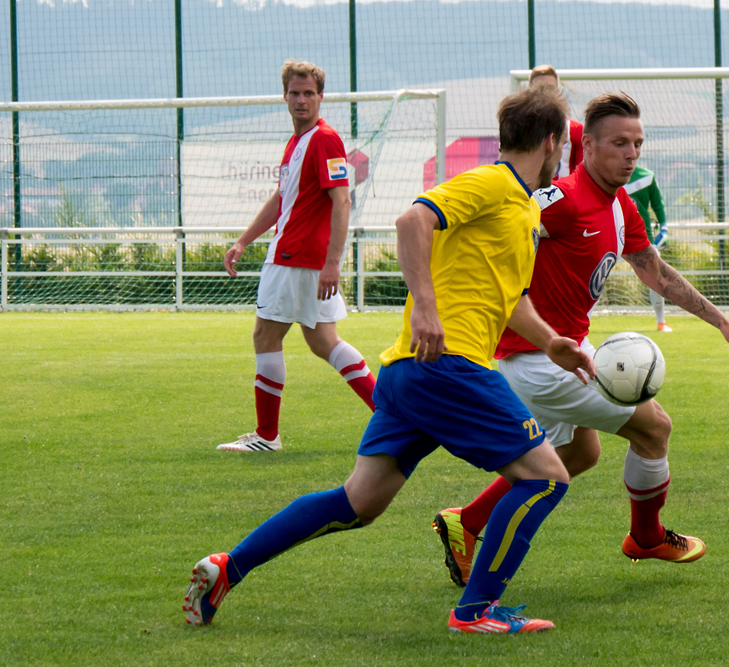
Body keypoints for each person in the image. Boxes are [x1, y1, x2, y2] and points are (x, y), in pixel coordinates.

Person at [183, 85, 595, 634]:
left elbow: (508, 297)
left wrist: (551, 343)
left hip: (411, 374)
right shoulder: (494, 182)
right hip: (448, 365)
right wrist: (425, 306)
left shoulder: (520, 206)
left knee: (358, 502)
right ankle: (474, 613)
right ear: (550, 142)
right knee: (546, 478)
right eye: (564, 143)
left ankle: (227, 568)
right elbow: (412, 221)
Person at [431, 93, 729, 588]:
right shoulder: (561, 199)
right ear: (586, 144)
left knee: (581, 455)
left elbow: (654, 271)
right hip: (537, 359)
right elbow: (495, 225)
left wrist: (723, 323)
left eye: (637, 143)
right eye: (619, 143)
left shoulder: (620, 205)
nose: (631, 153)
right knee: (653, 428)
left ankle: (468, 521)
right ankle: (646, 537)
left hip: (570, 350)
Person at [217, 60, 377, 453]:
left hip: (295, 256)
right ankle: (392, 414)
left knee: (265, 335)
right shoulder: (299, 140)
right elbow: (282, 198)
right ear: (284, 96)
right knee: (324, 341)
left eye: (309, 93)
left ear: (321, 97)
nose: (302, 100)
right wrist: (244, 240)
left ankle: (267, 437)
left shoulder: (324, 139)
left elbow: (342, 201)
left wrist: (333, 263)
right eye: (295, 93)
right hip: (298, 256)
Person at [625, 164, 672, 332]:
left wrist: (664, 228)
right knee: (594, 276)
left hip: (642, 236)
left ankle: (661, 321)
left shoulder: (647, 176)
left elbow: (657, 203)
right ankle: (582, 320)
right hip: (611, 233)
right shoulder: (605, 173)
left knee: (655, 276)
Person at [529, 65, 583, 180]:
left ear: (557, 91)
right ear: (530, 91)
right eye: (539, 88)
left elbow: (583, 174)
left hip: (564, 195)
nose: (544, 93)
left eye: (550, 88)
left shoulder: (575, 130)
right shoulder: (519, 128)